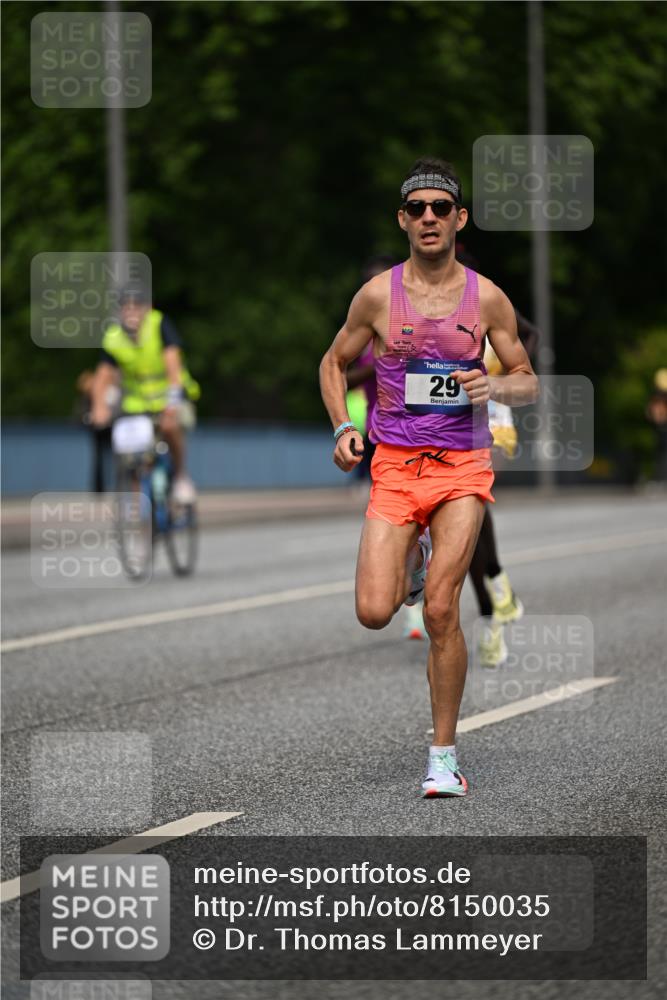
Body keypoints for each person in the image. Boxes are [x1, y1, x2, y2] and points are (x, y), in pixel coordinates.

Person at [319, 156, 538, 797]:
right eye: (417, 209)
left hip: (463, 468)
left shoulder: (487, 297)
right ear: (403, 220)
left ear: (458, 217)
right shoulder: (378, 296)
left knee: (441, 608)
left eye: (441, 207)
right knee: (372, 611)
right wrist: (341, 427)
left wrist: (491, 382)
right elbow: (333, 363)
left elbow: (527, 384)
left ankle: (443, 757)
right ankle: (412, 556)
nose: (429, 218)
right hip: (393, 465)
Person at [90, 286, 200, 504]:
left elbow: (173, 366)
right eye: (126, 307)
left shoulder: (159, 325)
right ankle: (139, 498)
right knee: (130, 448)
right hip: (137, 404)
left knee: (170, 427)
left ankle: (180, 476)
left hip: (171, 396)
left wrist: (173, 403)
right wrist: (99, 407)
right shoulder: (113, 338)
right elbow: (102, 376)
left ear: (147, 308)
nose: (131, 311)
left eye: (136, 306)